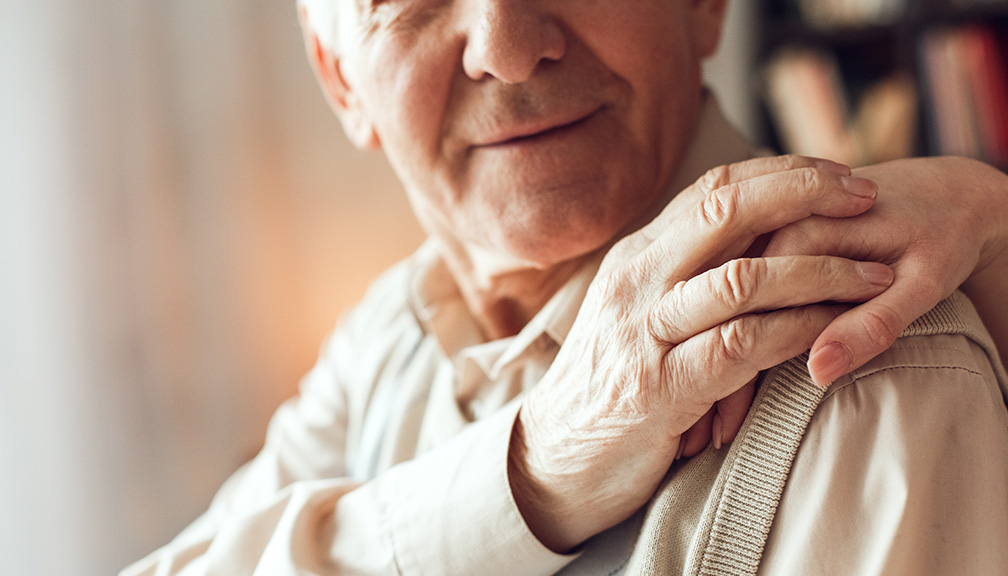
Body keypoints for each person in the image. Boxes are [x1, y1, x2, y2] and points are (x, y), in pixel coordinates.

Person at [122, 0, 1008, 573]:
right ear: (342, 80)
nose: (506, 48)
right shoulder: (391, 334)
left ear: (705, 8)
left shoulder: (863, 365)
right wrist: (528, 473)